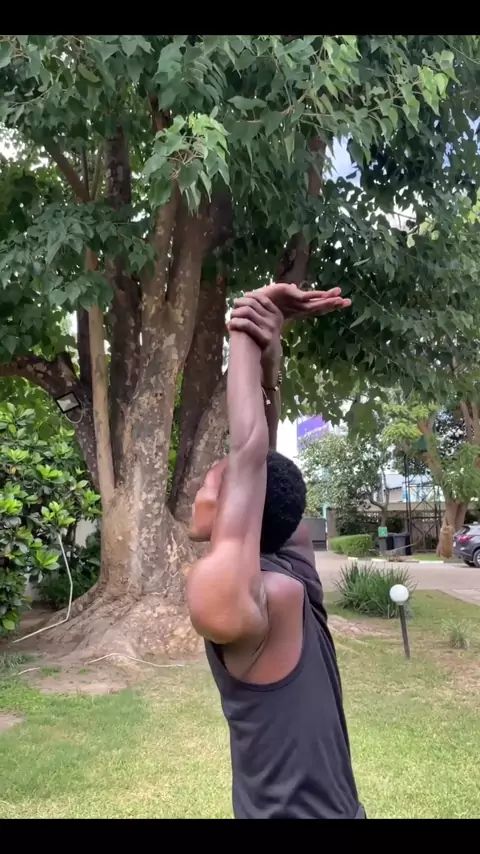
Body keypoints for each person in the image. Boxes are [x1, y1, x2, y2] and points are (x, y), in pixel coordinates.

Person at [187, 282, 364, 820]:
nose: (200, 489)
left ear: (239, 506)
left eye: (212, 483)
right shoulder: (297, 573)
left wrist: (246, 324)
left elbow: (250, 453)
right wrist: (269, 368)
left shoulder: (240, 603)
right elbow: (260, 466)